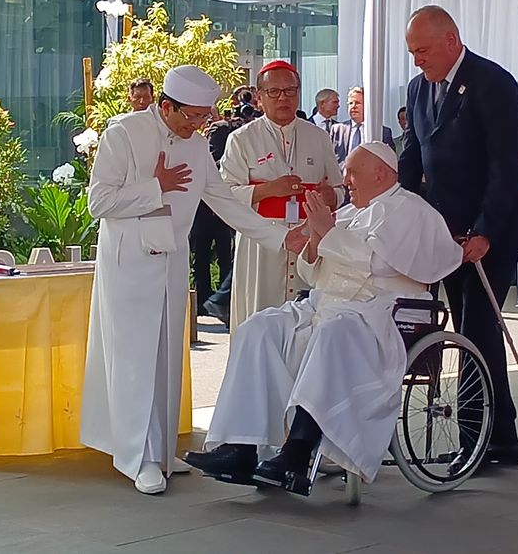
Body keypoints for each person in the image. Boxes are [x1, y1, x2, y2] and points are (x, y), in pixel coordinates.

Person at [184, 143, 464, 494]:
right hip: (324, 305)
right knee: (258, 329)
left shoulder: (411, 211)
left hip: (379, 313)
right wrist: (316, 239)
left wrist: (327, 234)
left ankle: (297, 452)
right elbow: (312, 273)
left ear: (381, 172)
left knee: (333, 334)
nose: (345, 180)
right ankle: (240, 447)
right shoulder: (349, 213)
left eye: (352, 172)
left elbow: (378, 265)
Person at [81, 65, 306, 495]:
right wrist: (154, 186)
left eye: (204, 117)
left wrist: (283, 238)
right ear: (166, 106)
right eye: (192, 117)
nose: (199, 125)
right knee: (135, 359)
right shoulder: (123, 133)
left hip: (170, 261)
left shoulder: (199, 145)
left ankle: (162, 451)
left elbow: (227, 203)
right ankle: (138, 456)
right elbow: (99, 201)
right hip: (128, 265)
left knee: (166, 357)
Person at [398, 5, 518, 467]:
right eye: (411, 52)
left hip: (488, 230)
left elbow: (505, 168)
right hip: (444, 232)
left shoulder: (491, 83)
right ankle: (499, 439)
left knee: (478, 331)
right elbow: (413, 159)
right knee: (467, 331)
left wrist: (485, 231)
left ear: (451, 40)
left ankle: (480, 441)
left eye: (422, 50)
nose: (416, 60)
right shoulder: (419, 89)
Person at [220, 60, 343, 331]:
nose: (283, 98)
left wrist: (331, 197)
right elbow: (225, 195)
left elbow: (341, 189)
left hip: (308, 240)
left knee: (304, 325)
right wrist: (268, 190)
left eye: (290, 91)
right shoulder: (242, 139)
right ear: (260, 96)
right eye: (274, 92)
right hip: (261, 242)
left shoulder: (318, 136)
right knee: (258, 321)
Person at [190, 109, 236, 321]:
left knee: (224, 256)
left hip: (218, 209)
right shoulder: (192, 139)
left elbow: (218, 165)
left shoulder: (224, 130)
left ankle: (222, 303)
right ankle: (203, 301)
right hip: (200, 210)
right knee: (201, 256)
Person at [332, 86, 396, 164]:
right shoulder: (337, 129)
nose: (353, 106)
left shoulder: (382, 131)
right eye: (350, 103)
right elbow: (331, 158)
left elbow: (390, 160)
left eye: (357, 103)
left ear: (367, 106)